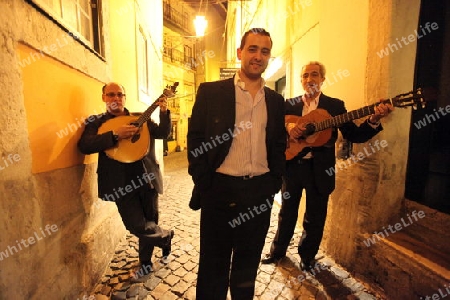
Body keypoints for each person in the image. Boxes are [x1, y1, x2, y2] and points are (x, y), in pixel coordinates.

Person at [261, 61, 393, 271]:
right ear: (301, 80)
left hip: (320, 170)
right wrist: (289, 126)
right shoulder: (289, 105)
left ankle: (307, 257)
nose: (310, 79)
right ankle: (277, 252)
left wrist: (374, 118)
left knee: (315, 216)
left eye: (315, 75)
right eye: (305, 75)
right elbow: (272, 129)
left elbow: (354, 135)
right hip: (292, 167)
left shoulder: (334, 106)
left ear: (322, 79)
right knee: (286, 212)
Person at [187, 28, 286, 299]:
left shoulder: (276, 102)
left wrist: (274, 181)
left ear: (269, 56)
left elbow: (279, 144)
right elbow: (195, 137)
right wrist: (203, 180)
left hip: (259, 193)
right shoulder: (211, 92)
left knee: (247, 265)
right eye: (252, 49)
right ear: (240, 52)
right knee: (213, 265)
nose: (258, 56)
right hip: (219, 190)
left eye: (264, 51)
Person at [78, 82, 174, 281]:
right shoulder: (96, 122)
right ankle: (165, 237)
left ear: (125, 97)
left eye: (120, 94)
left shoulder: (140, 118)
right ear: (103, 97)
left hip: (147, 179)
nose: (116, 98)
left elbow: (163, 134)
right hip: (121, 184)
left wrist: (164, 113)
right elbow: (85, 145)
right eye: (111, 94)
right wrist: (114, 135)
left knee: (150, 221)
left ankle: (145, 263)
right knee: (136, 225)